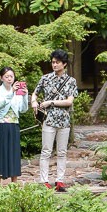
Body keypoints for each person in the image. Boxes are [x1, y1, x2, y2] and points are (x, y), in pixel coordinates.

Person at [31, 49, 78, 191]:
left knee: (62, 152)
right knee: (46, 151)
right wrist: (34, 102)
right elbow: (35, 93)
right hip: (49, 119)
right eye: (53, 62)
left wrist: (50, 102)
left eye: (57, 62)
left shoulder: (71, 81)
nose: (54, 65)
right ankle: (44, 180)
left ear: (64, 64)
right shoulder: (45, 78)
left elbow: (69, 101)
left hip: (64, 120)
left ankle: (60, 181)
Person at [0, 67, 28, 183]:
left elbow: (23, 109)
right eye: (6, 76)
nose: (9, 79)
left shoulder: (17, 92)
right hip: (0, 125)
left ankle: (14, 184)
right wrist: (11, 93)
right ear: (1, 78)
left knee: (13, 154)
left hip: (14, 125)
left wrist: (25, 96)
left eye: (11, 76)